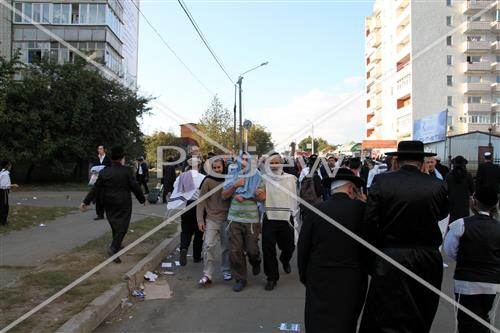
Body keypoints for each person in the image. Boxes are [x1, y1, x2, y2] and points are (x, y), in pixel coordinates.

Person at [360, 140, 449, 333]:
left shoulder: (382, 181)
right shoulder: (438, 185)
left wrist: (370, 258)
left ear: (398, 160)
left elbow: (370, 222)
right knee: (421, 308)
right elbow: (441, 214)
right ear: (422, 161)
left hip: (390, 255)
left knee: (386, 311)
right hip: (427, 257)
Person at [298, 168, 368, 333]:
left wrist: (305, 275)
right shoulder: (362, 210)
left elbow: (303, 247)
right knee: (346, 320)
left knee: (317, 319)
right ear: (352, 189)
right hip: (352, 276)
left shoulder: (316, 210)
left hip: (319, 274)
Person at [444, 187, 500, 333]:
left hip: (466, 280)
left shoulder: (460, 224)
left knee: (465, 320)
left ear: (474, 203)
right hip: (492, 281)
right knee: (485, 316)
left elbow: (449, 249)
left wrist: (464, 259)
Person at [80, 146, 145, 263]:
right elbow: (135, 186)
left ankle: (117, 247)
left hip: (108, 202)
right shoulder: (127, 171)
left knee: (115, 224)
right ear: (122, 158)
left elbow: (96, 188)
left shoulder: (104, 172)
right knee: (123, 227)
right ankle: (113, 248)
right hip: (123, 202)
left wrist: (86, 201)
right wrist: (142, 199)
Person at [222, 152, 264, 292]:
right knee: (235, 250)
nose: (245, 162)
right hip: (234, 218)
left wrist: (248, 197)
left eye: (247, 159)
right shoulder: (232, 174)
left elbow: (262, 197)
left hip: (251, 219)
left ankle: (255, 260)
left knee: (252, 249)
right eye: (242, 159)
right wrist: (235, 186)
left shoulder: (257, 176)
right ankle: (240, 278)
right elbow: (223, 195)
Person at [260, 153, 299, 291]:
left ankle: (285, 259)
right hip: (269, 217)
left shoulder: (291, 179)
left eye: (277, 162)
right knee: (268, 249)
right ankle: (272, 277)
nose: (275, 165)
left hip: (286, 217)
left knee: (289, 247)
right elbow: (259, 196)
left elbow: (294, 199)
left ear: (282, 163)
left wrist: (294, 217)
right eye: (272, 163)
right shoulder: (263, 178)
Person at [196, 158, 232, 286]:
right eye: (215, 168)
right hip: (211, 219)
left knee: (226, 247)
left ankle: (226, 270)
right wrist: (200, 219)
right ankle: (207, 274)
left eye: (219, 167)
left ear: (223, 167)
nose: (217, 170)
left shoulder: (229, 179)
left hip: (227, 219)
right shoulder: (207, 181)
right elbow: (201, 201)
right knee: (208, 245)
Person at [168, 157, 206, 266]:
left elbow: (175, 187)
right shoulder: (202, 177)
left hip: (186, 205)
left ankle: (184, 248)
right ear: (199, 166)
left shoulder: (182, 177)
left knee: (186, 230)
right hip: (199, 206)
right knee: (199, 232)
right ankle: (196, 256)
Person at [446, 156, 474, 223]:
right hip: (464, 201)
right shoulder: (468, 175)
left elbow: (445, 189)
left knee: (453, 220)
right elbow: (472, 189)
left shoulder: (448, 175)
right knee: (464, 221)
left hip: (452, 201)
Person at [92, 145, 112, 220]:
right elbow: (93, 168)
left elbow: (110, 168)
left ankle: (108, 212)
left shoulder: (108, 159)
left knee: (104, 198)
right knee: (97, 198)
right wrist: (94, 171)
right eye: (98, 149)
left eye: (101, 149)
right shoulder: (96, 159)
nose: (99, 150)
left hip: (106, 180)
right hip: (97, 180)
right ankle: (99, 215)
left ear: (104, 150)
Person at [0, 161, 19, 226]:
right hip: (3, 192)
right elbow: (3, 186)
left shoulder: (2, 173)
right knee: (4, 206)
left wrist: (10, 189)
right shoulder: (5, 174)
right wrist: (13, 185)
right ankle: (3, 222)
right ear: (7, 166)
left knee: (2, 206)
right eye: (10, 165)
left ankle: (2, 221)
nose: (11, 166)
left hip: (3, 191)